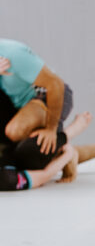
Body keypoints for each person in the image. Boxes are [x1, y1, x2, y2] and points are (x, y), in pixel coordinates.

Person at [0, 105, 95, 191]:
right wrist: (66, 156)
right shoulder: (6, 179)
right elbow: (44, 175)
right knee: (29, 152)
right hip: (29, 156)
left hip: (17, 134)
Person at [0, 38, 74, 167]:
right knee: (17, 155)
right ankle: (70, 153)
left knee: (17, 132)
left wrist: (51, 129)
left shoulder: (13, 54)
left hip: (48, 97)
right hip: (20, 107)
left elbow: (55, 85)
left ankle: (66, 135)